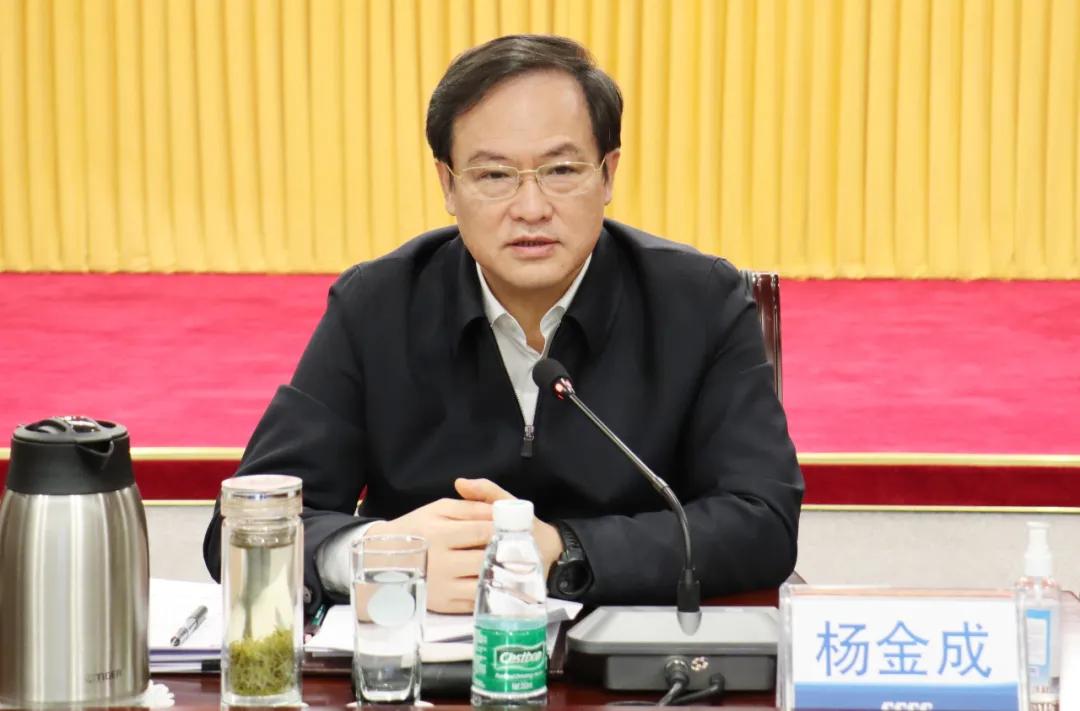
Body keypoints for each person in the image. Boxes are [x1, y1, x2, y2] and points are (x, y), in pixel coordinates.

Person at [203, 34, 803, 615]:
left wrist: (563, 551)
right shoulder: (377, 306)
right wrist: (378, 556)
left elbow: (762, 520)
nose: (531, 208)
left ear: (608, 175)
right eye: (494, 176)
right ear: (448, 185)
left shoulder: (698, 301)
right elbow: (242, 526)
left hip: (634, 656)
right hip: (425, 655)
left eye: (561, 170)